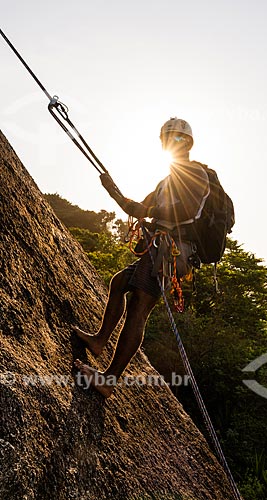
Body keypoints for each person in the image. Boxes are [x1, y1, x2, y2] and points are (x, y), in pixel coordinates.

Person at [74, 117, 211, 397]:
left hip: (173, 253)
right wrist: (112, 189)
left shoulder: (196, 174)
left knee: (139, 307)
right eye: (168, 138)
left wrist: (152, 214)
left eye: (178, 139)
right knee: (118, 283)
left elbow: (190, 211)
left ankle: (109, 381)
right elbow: (139, 208)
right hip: (158, 249)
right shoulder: (165, 182)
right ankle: (100, 341)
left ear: (188, 143)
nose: (173, 142)